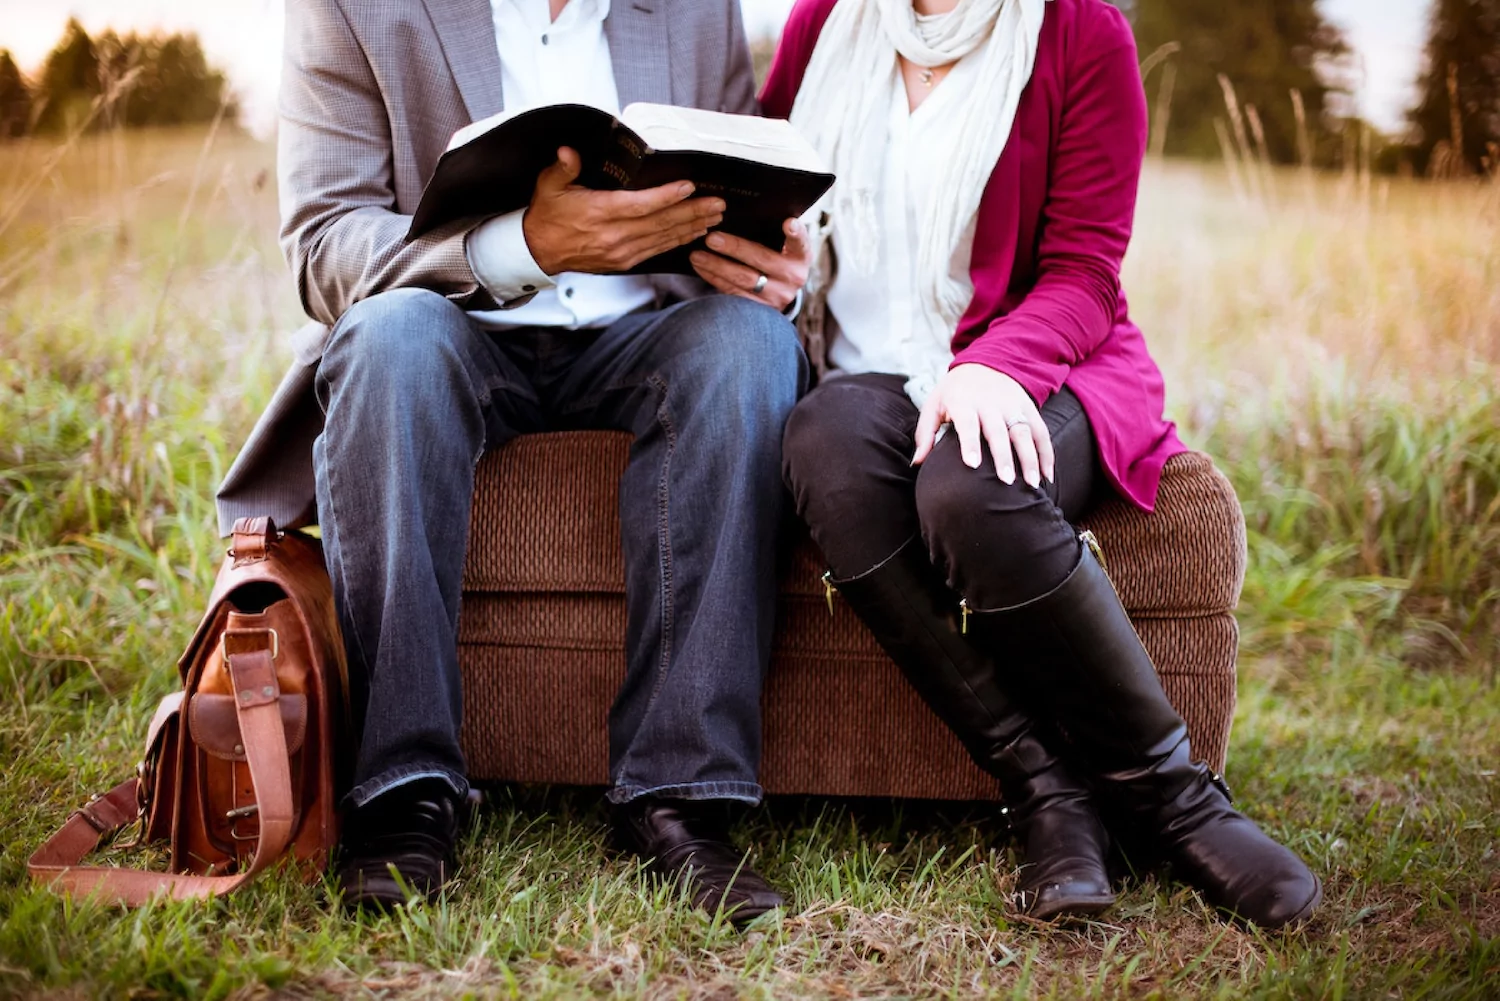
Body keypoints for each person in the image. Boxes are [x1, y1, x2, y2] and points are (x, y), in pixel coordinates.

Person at [216, 0, 813, 923]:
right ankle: (406, 791)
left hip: (646, 329)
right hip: (451, 323)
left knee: (750, 348)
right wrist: (522, 247)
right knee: (389, 342)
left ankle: (680, 797)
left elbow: (733, 189)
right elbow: (323, 245)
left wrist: (762, 257)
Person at [764, 0, 1322, 928]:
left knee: (970, 481)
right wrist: (756, 258)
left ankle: (1173, 796)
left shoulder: (1079, 30)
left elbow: (1086, 267)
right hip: (863, 376)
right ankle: (1047, 790)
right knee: (820, 442)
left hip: (1042, 363)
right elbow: (765, 199)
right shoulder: (821, 25)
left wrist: (992, 366)